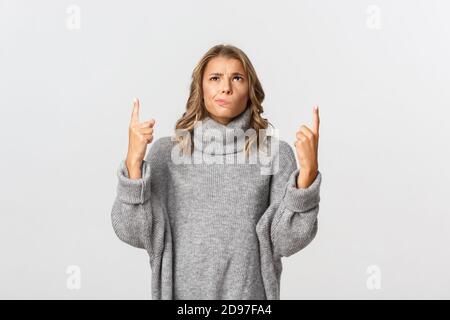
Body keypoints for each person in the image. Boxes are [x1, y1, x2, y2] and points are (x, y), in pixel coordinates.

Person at [111, 44, 322, 300]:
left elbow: (286, 242)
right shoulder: (166, 153)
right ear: (200, 89)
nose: (226, 88)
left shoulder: (274, 153)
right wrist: (134, 163)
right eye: (215, 78)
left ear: (250, 90)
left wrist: (307, 175)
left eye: (237, 78)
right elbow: (132, 231)